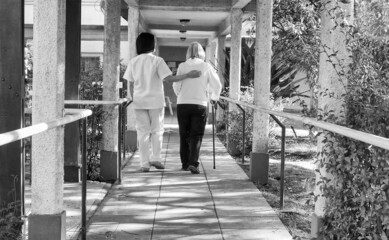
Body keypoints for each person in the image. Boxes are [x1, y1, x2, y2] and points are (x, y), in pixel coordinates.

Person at [123, 32, 201, 172]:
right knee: (157, 131)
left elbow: (130, 83)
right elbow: (169, 79)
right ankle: (156, 158)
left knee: (143, 133)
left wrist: (134, 98)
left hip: (139, 102)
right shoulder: (157, 60)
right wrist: (188, 75)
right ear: (153, 45)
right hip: (155, 101)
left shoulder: (133, 61)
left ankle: (144, 164)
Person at [173, 42, 222, 174]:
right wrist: (213, 98)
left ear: (188, 53)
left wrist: (180, 95)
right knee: (197, 135)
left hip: (183, 104)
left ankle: (184, 163)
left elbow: (176, 85)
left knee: (184, 134)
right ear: (202, 53)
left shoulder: (182, 66)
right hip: (200, 104)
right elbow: (217, 85)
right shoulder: (206, 66)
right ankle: (193, 163)